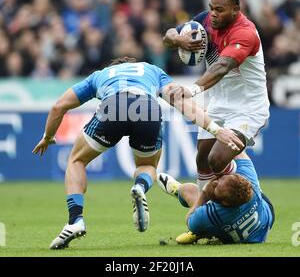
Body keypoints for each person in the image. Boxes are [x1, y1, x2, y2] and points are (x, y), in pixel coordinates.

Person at [32, 56, 244, 250]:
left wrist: (48, 136)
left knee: (76, 160)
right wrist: (216, 129)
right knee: (148, 166)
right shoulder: (152, 70)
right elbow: (182, 102)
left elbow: (59, 106)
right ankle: (141, 187)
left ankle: (75, 220)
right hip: (147, 106)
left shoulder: (101, 75)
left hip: (113, 105)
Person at [163, 0, 270, 192]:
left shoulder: (245, 33)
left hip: (248, 108)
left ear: (235, 10)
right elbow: (167, 36)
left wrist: (192, 90)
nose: (213, 14)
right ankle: (204, 214)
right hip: (219, 103)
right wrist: (178, 39)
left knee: (217, 159)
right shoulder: (204, 21)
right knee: (202, 158)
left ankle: (254, 196)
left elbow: (222, 67)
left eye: (219, 10)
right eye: (211, 7)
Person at [157, 151, 275, 244]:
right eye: (220, 179)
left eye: (217, 187)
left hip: (229, 233)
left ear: (225, 203)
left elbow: (189, 219)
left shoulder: (211, 214)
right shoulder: (248, 179)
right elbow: (238, 151)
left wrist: (204, 193)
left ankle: (202, 232)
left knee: (186, 189)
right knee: (254, 191)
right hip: (266, 219)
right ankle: (204, 230)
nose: (214, 183)